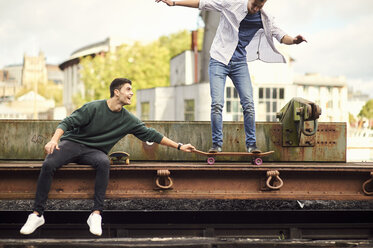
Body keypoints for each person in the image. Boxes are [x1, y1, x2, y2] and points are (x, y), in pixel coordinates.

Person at [20, 78, 195, 236]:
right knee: (49, 163)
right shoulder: (93, 107)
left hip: (94, 151)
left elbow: (152, 135)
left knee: (104, 162)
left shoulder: (128, 120)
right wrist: (54, 140)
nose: (131, 93)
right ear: (116, 92)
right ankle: (37, 214)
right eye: (128, 89)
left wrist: (179, 146)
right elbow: (67, 122)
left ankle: (96, 214)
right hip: (72, 144)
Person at [155, 0, 307, 153]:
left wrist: (294, 40)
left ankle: (252, 145)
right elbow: (203, 3)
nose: (255, 9)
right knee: (217, 104)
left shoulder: (265, 18)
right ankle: (216, 144)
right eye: (254, 4)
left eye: (259, 6)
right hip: (219, 59)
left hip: (239, 63)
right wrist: (174, 2)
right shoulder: (231, 3)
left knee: (248, 104)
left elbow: (280, 35)